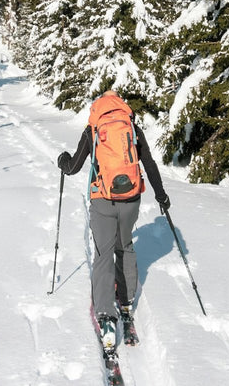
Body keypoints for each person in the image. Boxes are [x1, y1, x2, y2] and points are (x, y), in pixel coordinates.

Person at [57, 90, 170, 351]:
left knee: (103, 253)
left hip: (103, 200)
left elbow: (73, 167)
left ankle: (106, 316)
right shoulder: (131, 126)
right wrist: (162, 195)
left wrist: (63, 161)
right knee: (126, 245)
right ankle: (127, 299)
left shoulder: (93, 129)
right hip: (131, 199)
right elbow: (149, 164)